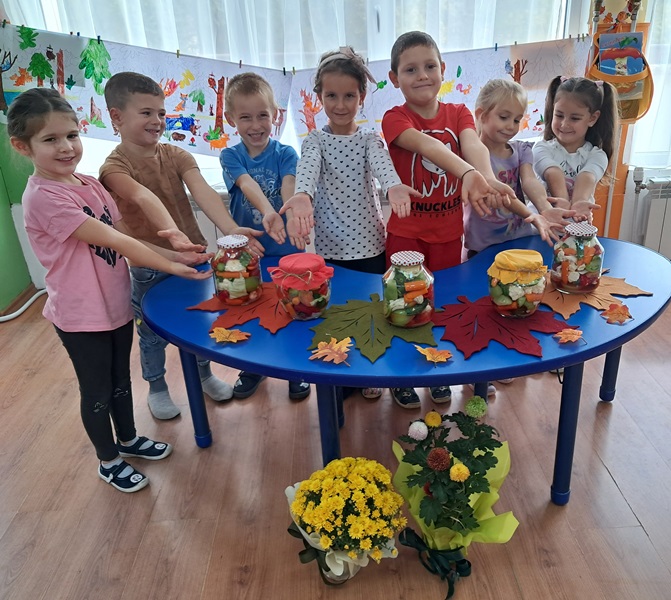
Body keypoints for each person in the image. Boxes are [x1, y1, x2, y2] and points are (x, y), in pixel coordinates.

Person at [7, 88, 212, 492]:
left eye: (72, 135)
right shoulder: (44, 198)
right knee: (97, 391)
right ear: (22, 146)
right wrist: (171, 263)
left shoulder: (89, 184)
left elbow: (124, 237)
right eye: (50, 139)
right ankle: (108, 459)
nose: (66, 147)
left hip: (114, 305)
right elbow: (116, 241)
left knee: (121, 380)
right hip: (81, 316)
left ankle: (129, 439)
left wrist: (178, 255)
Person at [99, 72, 264, 421]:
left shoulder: (176, 154)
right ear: (116, 116)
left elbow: (203, 192)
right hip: (150, 265)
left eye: (161, 113)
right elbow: (141, 196)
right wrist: (173, 234)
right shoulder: (113, 168)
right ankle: (157, 387)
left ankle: (204, 374)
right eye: (146, 112)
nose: (157, 120)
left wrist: (231, 229)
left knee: (200, 323)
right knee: (151, 335)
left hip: (194, 258)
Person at [380, 31, 516, 408]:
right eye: (410, 69)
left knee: (440, 306)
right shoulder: (394, 118)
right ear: (394, 79)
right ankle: (402, 375)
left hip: (447, 234)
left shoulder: (458, 112)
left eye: (429, 66)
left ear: (442, 69)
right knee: (403, 304)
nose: (422, 75)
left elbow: (472, 144)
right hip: (405, 234)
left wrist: (484, 175)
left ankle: (436, 368)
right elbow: (428, 146)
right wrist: (467, 173)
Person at [280, 46, 420, 400]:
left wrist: (394, 185)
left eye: (349, 96)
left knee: (376, 310)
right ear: (319, 97)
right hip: (331, 247)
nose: (340, 105)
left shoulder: (369, 140)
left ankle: (380, 373)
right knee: (338, 313)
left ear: (362, 97)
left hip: (371, 245)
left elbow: (384, 167)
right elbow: (307, 170)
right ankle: (344, 374)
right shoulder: (315, 140)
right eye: (331, 96)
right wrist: (301, 194)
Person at [220, 72, 310, 401]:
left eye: (263, 115)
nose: (256, 125)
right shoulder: (231, 156)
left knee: (292, 309)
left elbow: (289, 185)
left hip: (285, 250)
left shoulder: (286, 153)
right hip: (249, 252)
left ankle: (295, 369)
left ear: (276, 115)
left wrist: (288, 214)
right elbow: (247, 184)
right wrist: (269, 213)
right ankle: (253, 367)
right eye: (246, 117)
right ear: (231, 119)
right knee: (250, 310)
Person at [464, 78, 572, 259]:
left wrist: (544, 209)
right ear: (482, 115)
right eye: (504, 117)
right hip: (483, 245)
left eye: (516, 120)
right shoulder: (470, 154)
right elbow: (501, 195)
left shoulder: (521, 149)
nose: (511, 126)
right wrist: (532, 215)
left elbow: (530, 181)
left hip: (519, 238)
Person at [533, 76, 619, 223]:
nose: (564, 124)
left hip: (577, 226)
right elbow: (553, 174)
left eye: (574, 118)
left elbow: (586, 177)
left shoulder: (597, 155)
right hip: (541, 226)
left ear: (592, 118)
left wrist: (578, 204)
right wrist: (562, 202)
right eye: (559, 115)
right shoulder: (540, 148)